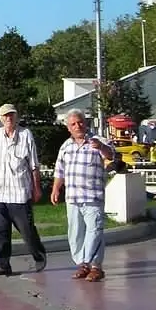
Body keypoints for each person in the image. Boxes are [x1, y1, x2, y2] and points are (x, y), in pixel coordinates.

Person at [0, 103, 46, 276]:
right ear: (0, 119)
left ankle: (39, 255)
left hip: (20, 192)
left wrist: (36, 188)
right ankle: (1, 264)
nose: (8, 118)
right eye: (5, 116)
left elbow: (33, 165)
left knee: (27, 230)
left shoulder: (26, 135)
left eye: (11, 115)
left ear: (16, 116)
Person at [51, 109, 115, 282]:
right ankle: (83, 264)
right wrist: (56, 188)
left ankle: (96, 267)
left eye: (80, 122)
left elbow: (112, 156)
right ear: (68, 128)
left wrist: (102, 148)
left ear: (85, 123)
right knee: (76, 233)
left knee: (94, 231)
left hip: (92, 196)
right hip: (73, 198)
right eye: (73, 124)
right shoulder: (66, 146)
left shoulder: (98, 140)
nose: (77, 126)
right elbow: (60, 169)